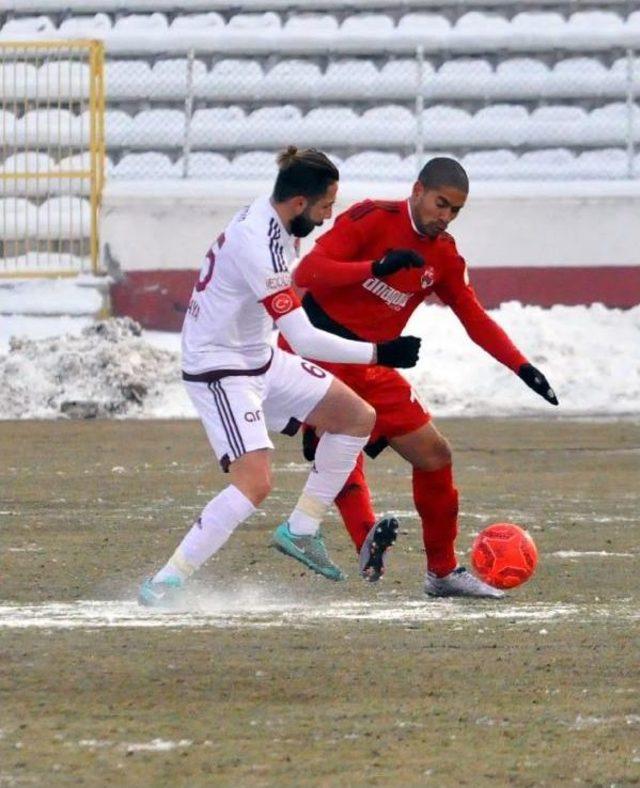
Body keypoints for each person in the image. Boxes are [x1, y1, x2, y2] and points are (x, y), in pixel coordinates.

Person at [138, 147, 421, 606]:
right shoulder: (260, 243)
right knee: (255, 483)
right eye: (326, 206)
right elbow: (304, 338)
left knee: (356, 417)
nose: (330, 217)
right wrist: (379, 352)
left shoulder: (277, 217)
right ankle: (166, 581)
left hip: (257, 356)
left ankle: (301, 529)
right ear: (298, 204)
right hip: (219, 368)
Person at [275, 156, 558, 599]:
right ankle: (362, 534)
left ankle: (441, 573)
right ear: (418, 190)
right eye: (440, 204)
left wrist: (523, 367)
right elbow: (308, 273)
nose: (444, 217)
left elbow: (473, 316)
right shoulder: (371, 218)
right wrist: (377, 268)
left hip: (375, 362)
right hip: (317, 351)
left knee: (435, 455)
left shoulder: (443, 255)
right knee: (345, 432)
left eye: (455, 211)